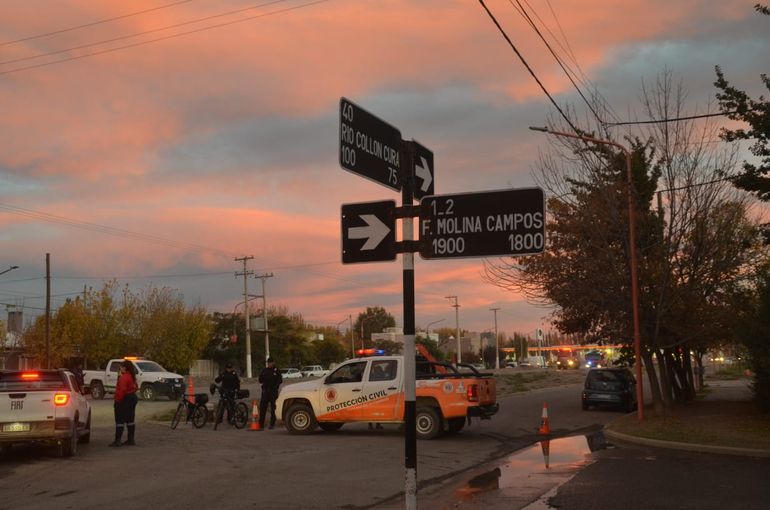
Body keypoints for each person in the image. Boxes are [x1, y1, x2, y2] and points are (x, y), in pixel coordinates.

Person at [109, 359, 138, 447]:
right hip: (132, 398)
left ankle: (118, 440)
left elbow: (121, 390)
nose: (120, 369)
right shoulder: (132, 376)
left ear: (124, 368)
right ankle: (131, 439)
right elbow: (136, 387)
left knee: (119, 420)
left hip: (124, 399)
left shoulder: (124, 377)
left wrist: (118, 401)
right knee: (130, 420)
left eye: (121, 367)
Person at [258, 358, 282, 430]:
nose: (269, 364)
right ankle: (261, 424)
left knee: (273, 408)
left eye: (270, 363)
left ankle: (272, 424)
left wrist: (276, 387)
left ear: (273, 363)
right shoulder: (265, 370)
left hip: (273, 392)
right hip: (265, 392)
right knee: (262, 408)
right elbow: (260, 380)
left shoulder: (277, 370)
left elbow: (280, 380)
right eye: (268, 363)